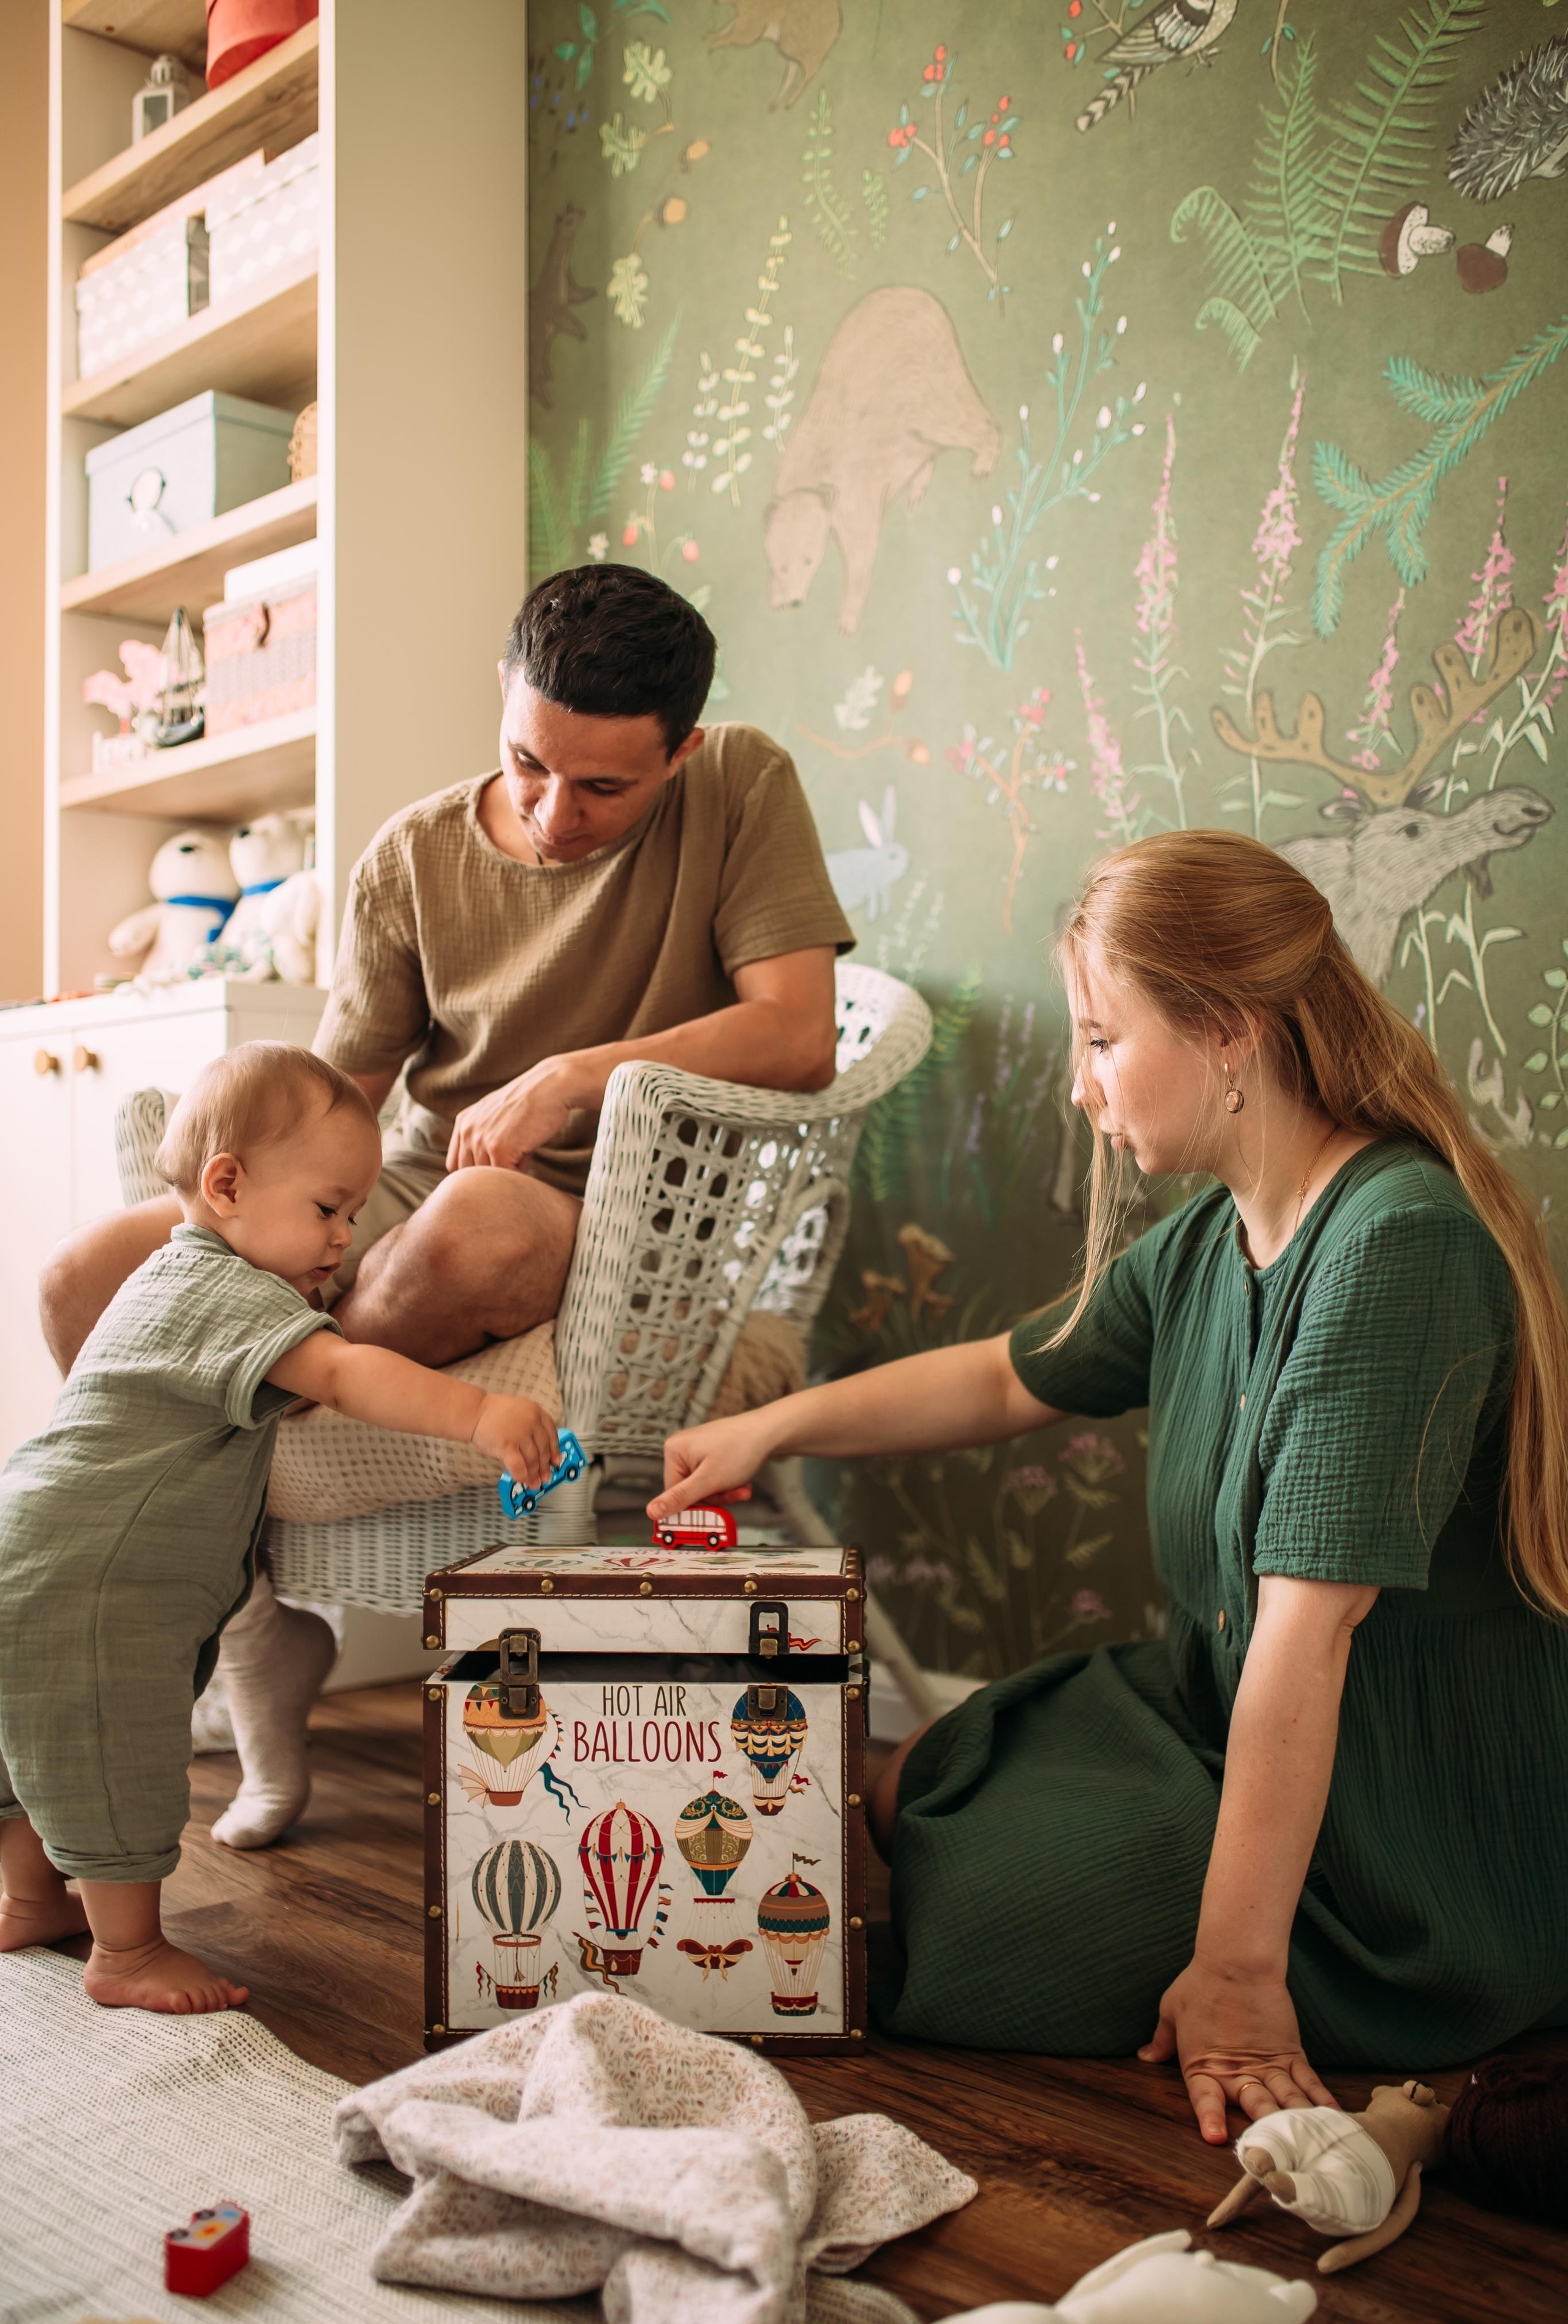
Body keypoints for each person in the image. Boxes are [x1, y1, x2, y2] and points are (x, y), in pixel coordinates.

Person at [650, 828, 1568, 2143]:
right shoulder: (1213, 1235)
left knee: (957, 1917)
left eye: (1098, 1039)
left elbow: (1310, 1641)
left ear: (1228, 1033)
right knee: (914, 1784)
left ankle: (1241, 1933)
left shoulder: (1393, 1248)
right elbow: (1000, 1381)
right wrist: (767, 1431)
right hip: (1210, 1703)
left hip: (1393, 1838)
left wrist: (1242, 1979)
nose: (1082, 1089)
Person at [36, 566, 851, 1847]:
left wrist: (572, 1079)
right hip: (408, 1182)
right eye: (527, 763)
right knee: (82, 1277)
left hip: (611, 1205)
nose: (551, 811)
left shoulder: (741, 782)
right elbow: (334, 1095)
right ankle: (250, 1609)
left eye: (602, 788)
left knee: (482, 1219)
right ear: (503, 702)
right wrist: (247, 1194)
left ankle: (268, 1409)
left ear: (679, 751)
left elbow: (799, 1034)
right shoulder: (413, 854)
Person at [0, 1044, 562, 2013]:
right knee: (113, 1752)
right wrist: (478, 1414)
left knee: (37, 1743)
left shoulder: (163, 1278)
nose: (345, 1236)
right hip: (95, 1581)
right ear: (227, 1185)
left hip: (39, 1547)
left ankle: (29, 1897)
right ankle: (126, 1955)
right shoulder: (233, 1293)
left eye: (352, 1214)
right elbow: (347, 1374)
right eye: (329, 1209)